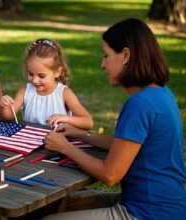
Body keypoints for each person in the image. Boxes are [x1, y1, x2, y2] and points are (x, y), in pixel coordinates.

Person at [42, 18, 186, 220]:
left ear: (125, 55)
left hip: (148, 213)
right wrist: (82, 135)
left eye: (106, 55)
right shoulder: (161, 93)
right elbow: (126, 145)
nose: (102, 64)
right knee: (66, 202)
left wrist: (65, 147)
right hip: (164, 204)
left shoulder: (140, 104)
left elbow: (110, 175)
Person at [0, 38, 93, 130]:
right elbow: (8, 116)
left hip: (56, 143)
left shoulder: (64, 94)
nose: (35, 80)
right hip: (30, 142)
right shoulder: (25, 91)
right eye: (30, 74)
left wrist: (66, 118)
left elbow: (88, 122)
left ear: (57, 72)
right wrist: (6, 105)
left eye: (41, 76)